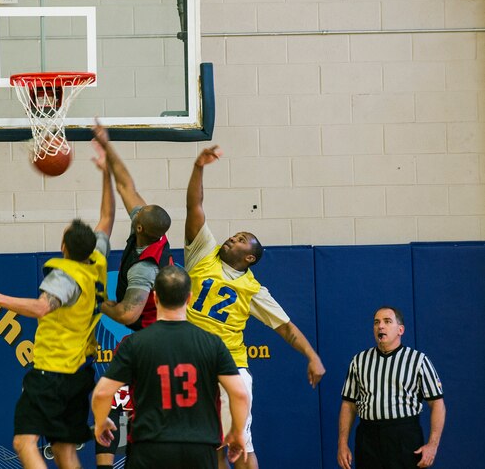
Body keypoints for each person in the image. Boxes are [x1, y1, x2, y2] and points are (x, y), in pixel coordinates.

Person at [0, 149, 115, 469]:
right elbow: (108, 218)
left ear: (64, 248)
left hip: (52, 372)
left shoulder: (66, 275)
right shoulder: (96, 261)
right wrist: (106, 172)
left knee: (24, 442)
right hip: (80, 372)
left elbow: (42, 308)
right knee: (64, 448)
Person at [184, 145, 326, 469]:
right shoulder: (203, 254)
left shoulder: (254, 290)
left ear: (249, 257)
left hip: (229, 366)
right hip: (193, 363)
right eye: (234, 235)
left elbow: (286, 328)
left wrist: (312, 355)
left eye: (240, 239)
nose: (232, 238)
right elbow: (195, 206)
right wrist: (198, 167)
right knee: (212, 448)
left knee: (242, 447)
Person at [92, 265, 250, 469]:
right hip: (200, 448)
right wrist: (237, 433)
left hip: (150, 448)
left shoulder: (134, 343)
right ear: (190, 298)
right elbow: (240, 394)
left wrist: (101, 422)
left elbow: (102, 394)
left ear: (155, 297)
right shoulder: (213, 343)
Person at [91, 122, 174, 469]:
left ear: (140, 226)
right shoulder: (148, 227)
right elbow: (128, 184)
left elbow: (126, 314)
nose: (134, 210)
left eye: (136, 215)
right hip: (147, 335)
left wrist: (98, 302)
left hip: (154, 337)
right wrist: (108, 150)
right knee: (115, 398)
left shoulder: (145, 268)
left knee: (127, 402)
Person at [337, 306, 445, 469]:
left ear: (400, 329)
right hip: (368, 437)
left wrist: (433, 445)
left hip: (404, 437)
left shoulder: (418, 361)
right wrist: (342, 444)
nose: (380, 326)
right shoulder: (359, 361)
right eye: (376, 322)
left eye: (387, 322)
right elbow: (348, 405)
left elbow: (437, 404)